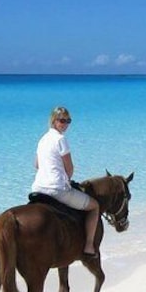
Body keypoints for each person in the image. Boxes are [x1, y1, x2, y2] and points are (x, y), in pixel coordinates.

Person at [31, 106, 100, 258]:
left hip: (38, 188)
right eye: (62, 120)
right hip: (57, 189)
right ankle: (89, 246)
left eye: (68, 121)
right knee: (95, 206)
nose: (66, 124)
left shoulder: (42, 139)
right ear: (54, 121)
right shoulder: (61, 139)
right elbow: (69, 168)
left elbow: (36, 165)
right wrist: (66, 180)